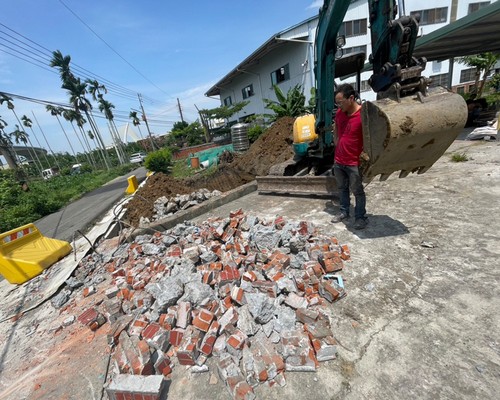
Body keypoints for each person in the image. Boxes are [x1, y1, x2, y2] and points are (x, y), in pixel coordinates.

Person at [330, 83, 368, 230]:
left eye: (340, 102)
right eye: (336, 103)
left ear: (351, 98)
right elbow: (337, 130)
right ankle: (344, 212)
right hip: (339, 160)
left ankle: (360, 217)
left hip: (354, 161)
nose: (338, 106)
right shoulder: (340, 113)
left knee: (358, 191)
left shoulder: (363, 115)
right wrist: (336, 148)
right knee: (342, 188)